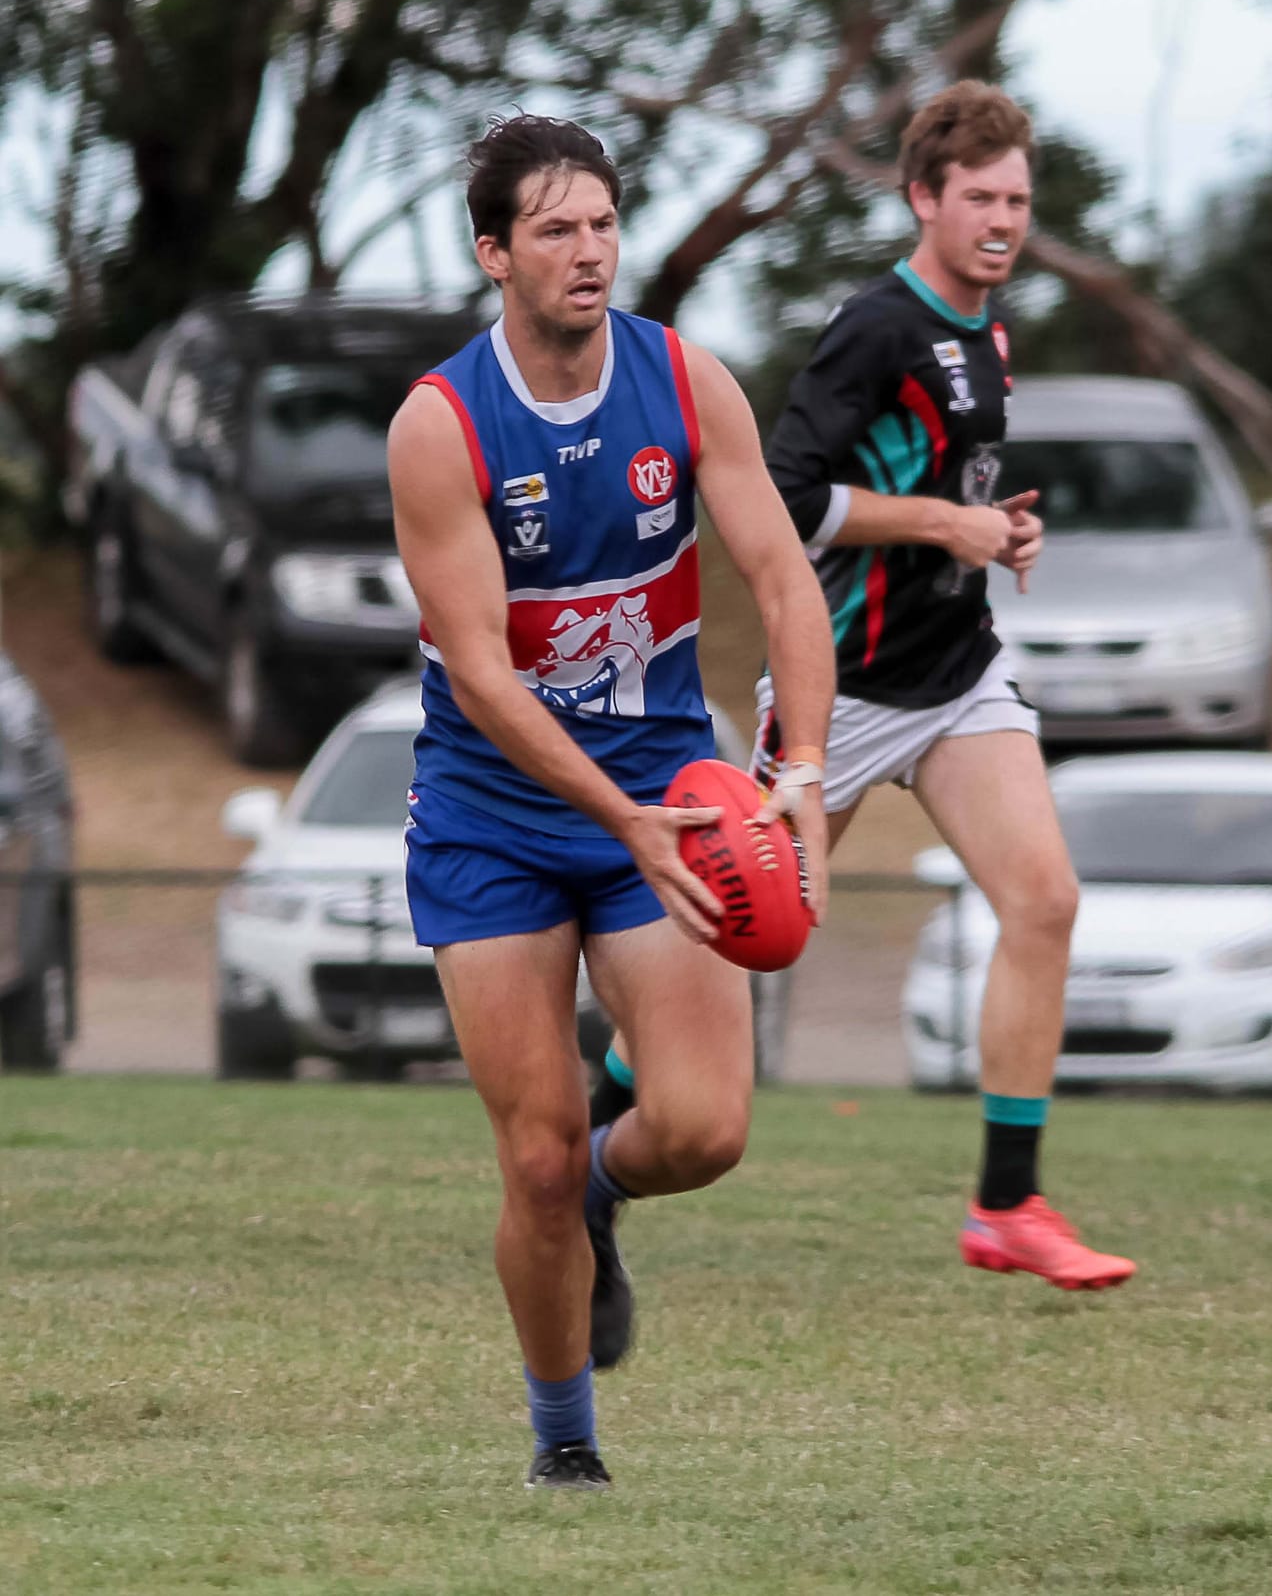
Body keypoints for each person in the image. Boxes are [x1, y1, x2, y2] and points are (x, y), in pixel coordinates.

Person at [594, 81, 1133, 1291]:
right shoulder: (876, 328)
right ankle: (593, 1145)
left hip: (955, 676)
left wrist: (991, 531)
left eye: (1018, 200)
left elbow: (946, 497)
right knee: (725, 946)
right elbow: (782, 495)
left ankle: (1006, 1203)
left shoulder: (988, 332)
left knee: (1043, 901)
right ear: (922, 199)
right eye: (980, 198)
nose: (1002, 219)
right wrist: (943, 523)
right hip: (837, 688)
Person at [389, 114, 834, 1488]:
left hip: (662, 786)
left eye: (602, 225)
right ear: (494, 254)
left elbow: (780, 576)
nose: (588, 253)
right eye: (555, 231)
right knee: (528, 1156)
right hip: (493, 807)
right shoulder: (441, 424)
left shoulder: (688, 382)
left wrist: (801, 767)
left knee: (703, 1127)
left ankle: (607, 1188)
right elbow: (481, 672)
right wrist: (617, 816)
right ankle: (564, 1444)